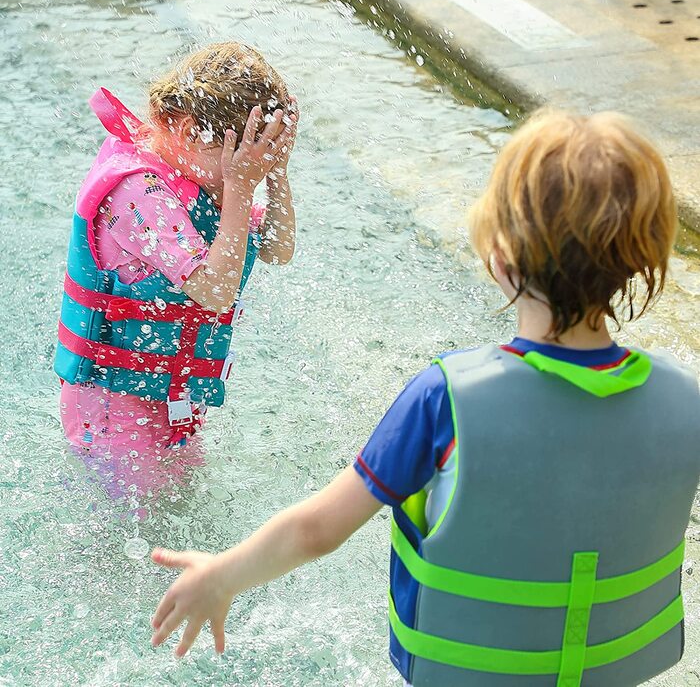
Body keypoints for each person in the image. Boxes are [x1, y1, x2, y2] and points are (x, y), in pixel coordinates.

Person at [149, 111, 700, 687]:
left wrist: (221, 576)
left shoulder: (448, 401)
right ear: (644, 257)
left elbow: (317, 531)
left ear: (500, 260)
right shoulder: (682, 398)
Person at [55, 42, 298, 458]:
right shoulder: (139, 192)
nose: (246, 170)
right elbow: (216, 292)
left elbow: (278, 249)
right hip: (114, 405)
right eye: (239, 158)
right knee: (136, 517)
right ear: (188, 131)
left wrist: (276, 173)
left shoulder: (201, 178)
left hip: (170, 399)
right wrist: (240, 186)